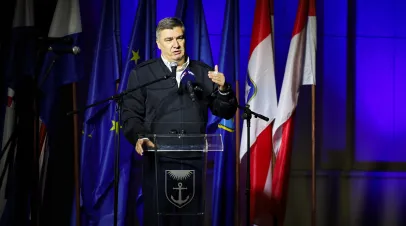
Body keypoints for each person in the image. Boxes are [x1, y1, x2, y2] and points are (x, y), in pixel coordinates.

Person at [121, 17, 237, 226]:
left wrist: (224, 89)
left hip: (192, 161)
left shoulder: (203, 72)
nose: (175, 44)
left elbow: (225, 111)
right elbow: (130, 114)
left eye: (180, 38)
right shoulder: (143, 74)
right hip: (158, 160)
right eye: (169, 40)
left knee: (190, 220)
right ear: (158, 44)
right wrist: (140, 137)